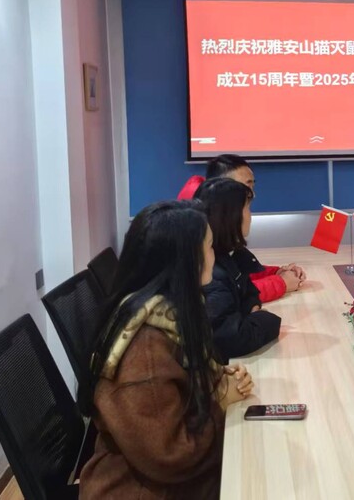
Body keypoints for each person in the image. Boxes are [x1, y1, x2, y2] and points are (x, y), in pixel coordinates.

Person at [79, 200, 253, 499]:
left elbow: (178, 386)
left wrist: (218, 379)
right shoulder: (144, 350)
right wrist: (221, 403)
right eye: (210, 247)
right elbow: (170, 456)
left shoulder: (170, 313)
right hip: (141, 490)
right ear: (186, 261)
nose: (215, 256)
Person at [179, 153, 306, 302]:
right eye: (246, 186)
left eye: (252, 186)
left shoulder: (212, 220)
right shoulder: (198, 232)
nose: (253, 194)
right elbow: (230, 293)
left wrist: (277, 272)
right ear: (223, 187)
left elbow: (238, 272)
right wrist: (281, 282)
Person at [194, 178, 282, 359]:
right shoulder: (210, 272)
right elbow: (228, 339)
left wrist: (252, 308)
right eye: (247, 208)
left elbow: (249, 291)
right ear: (231, 216)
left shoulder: (232, 254)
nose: (250, 216)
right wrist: (264, 319)